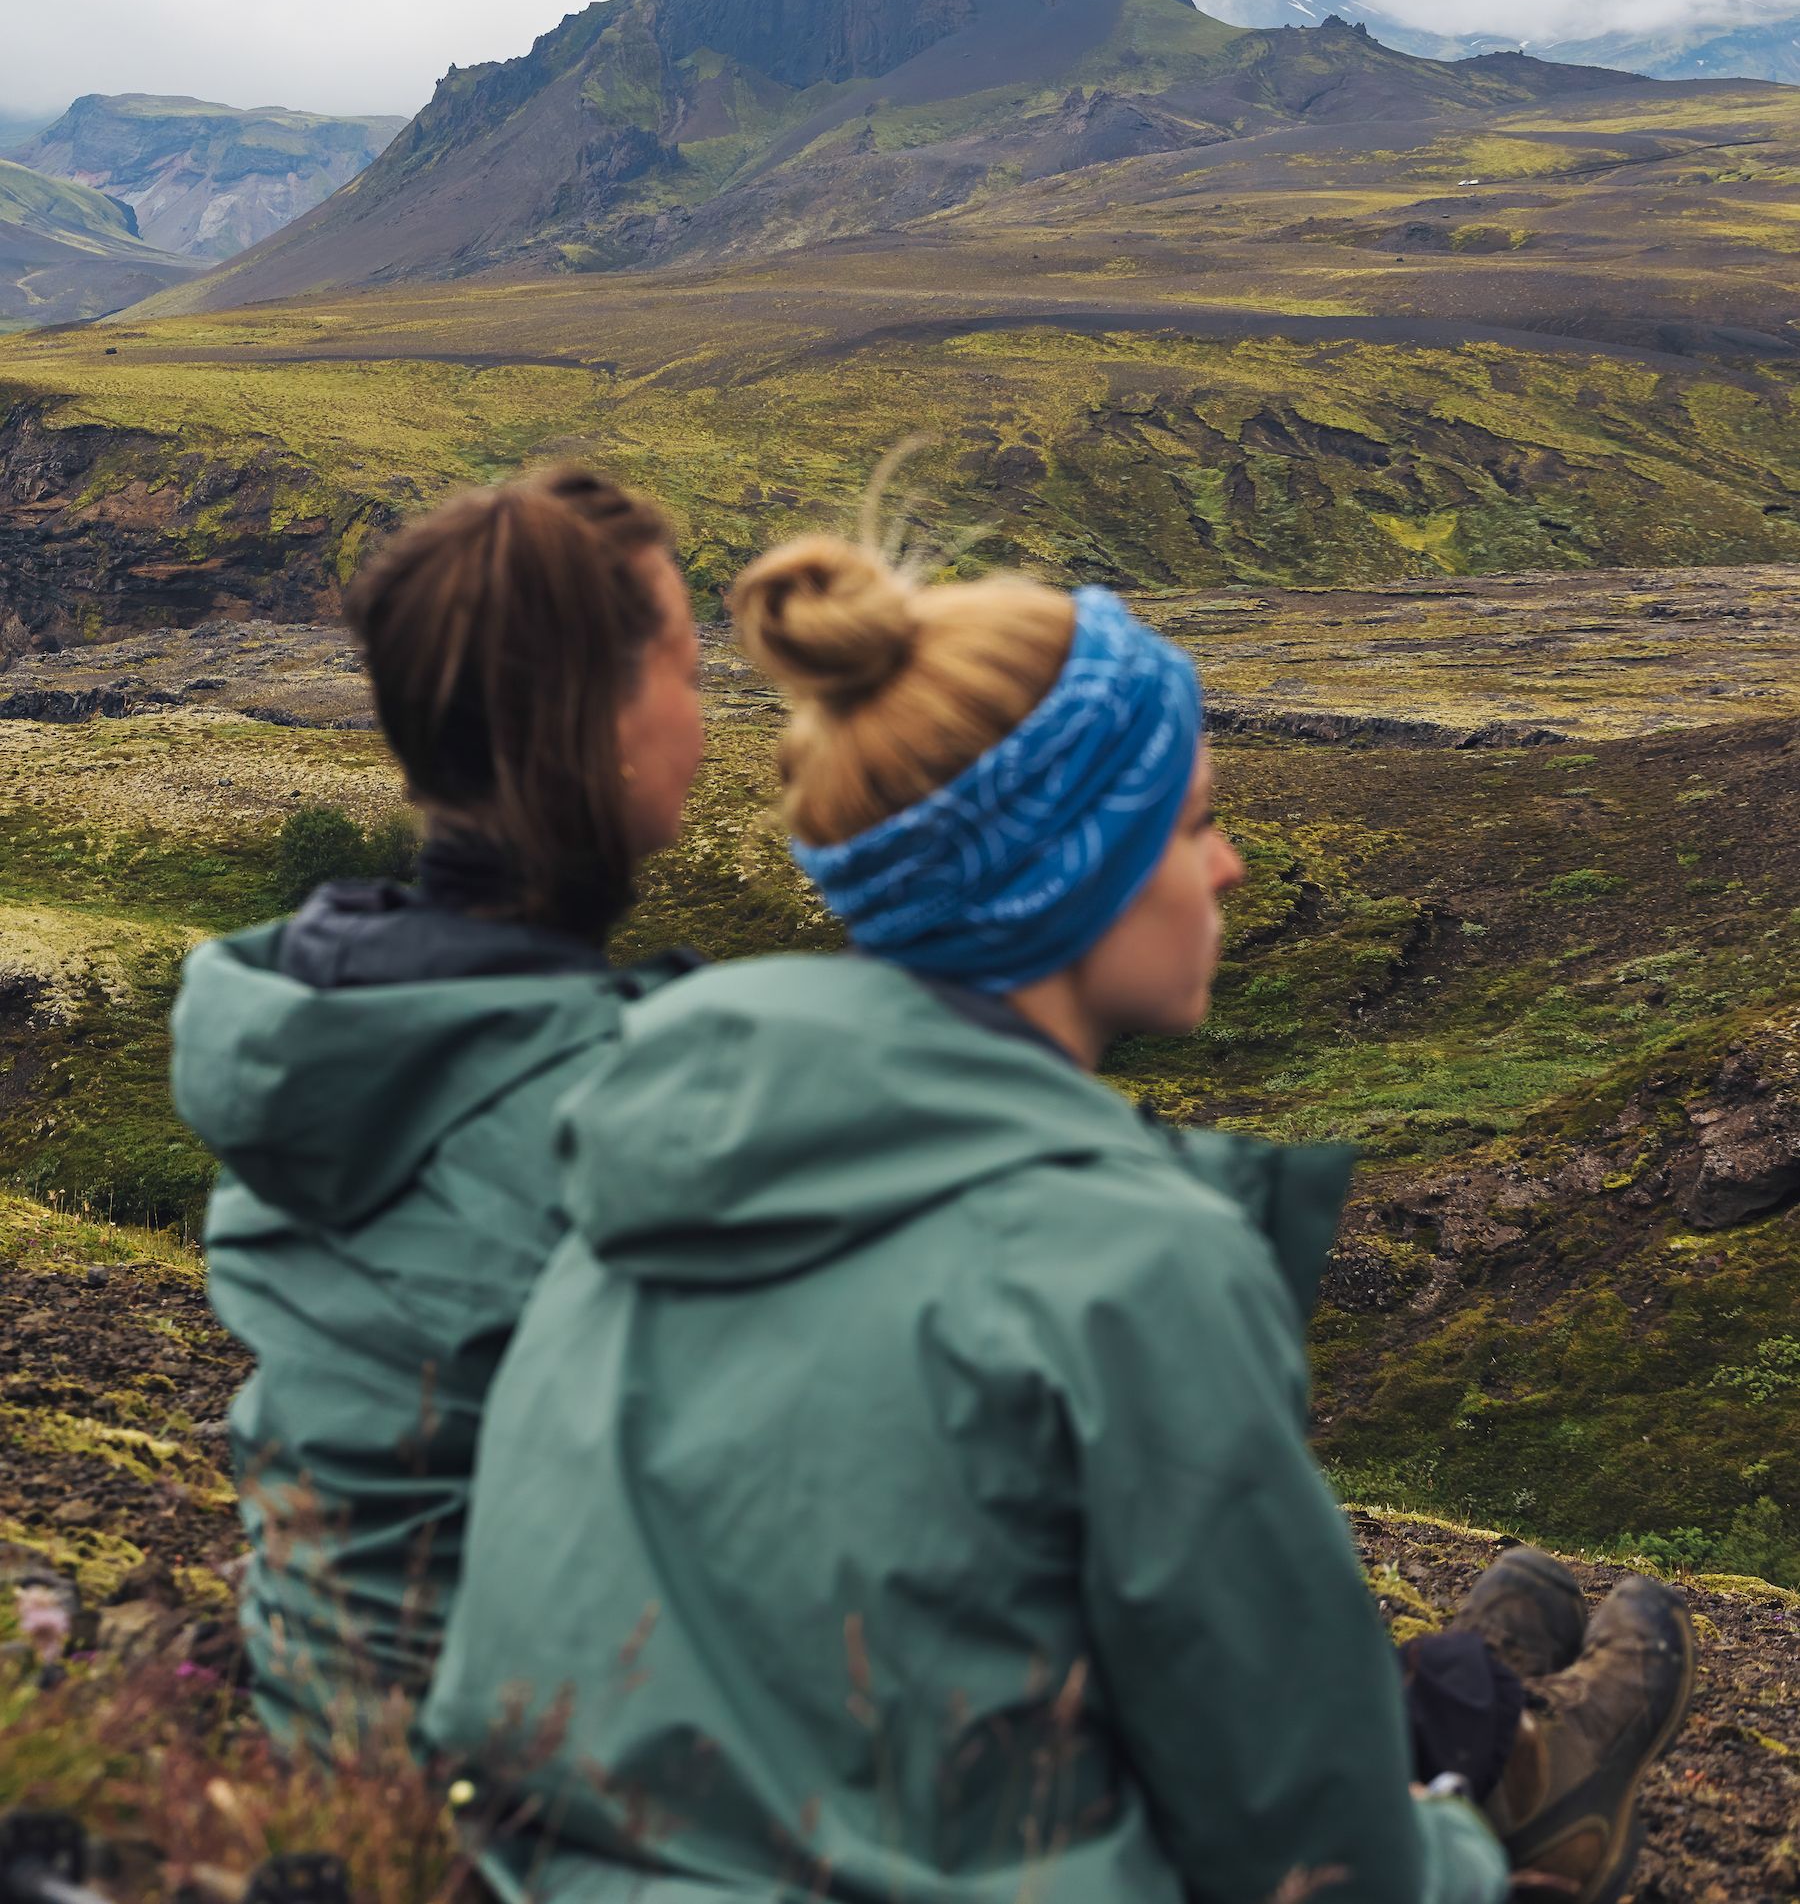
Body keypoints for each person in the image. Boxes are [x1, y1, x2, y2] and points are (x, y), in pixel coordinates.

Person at [423, 537, 1693, 1903]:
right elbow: (1320, 1859)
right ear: (1069, 868)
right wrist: (1447, 1851)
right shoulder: (1122, 1263)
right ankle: (1516, 1769)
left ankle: (1474, 1703)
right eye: (1195, 822)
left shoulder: (644, 1153)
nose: (1235, 867)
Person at [169, 466, 706, 1748]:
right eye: (690, 666)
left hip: (326, 1748)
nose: (708, 714)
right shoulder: (631, 1114)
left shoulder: (313, 1026)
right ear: (608, 720)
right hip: (533, 1806)